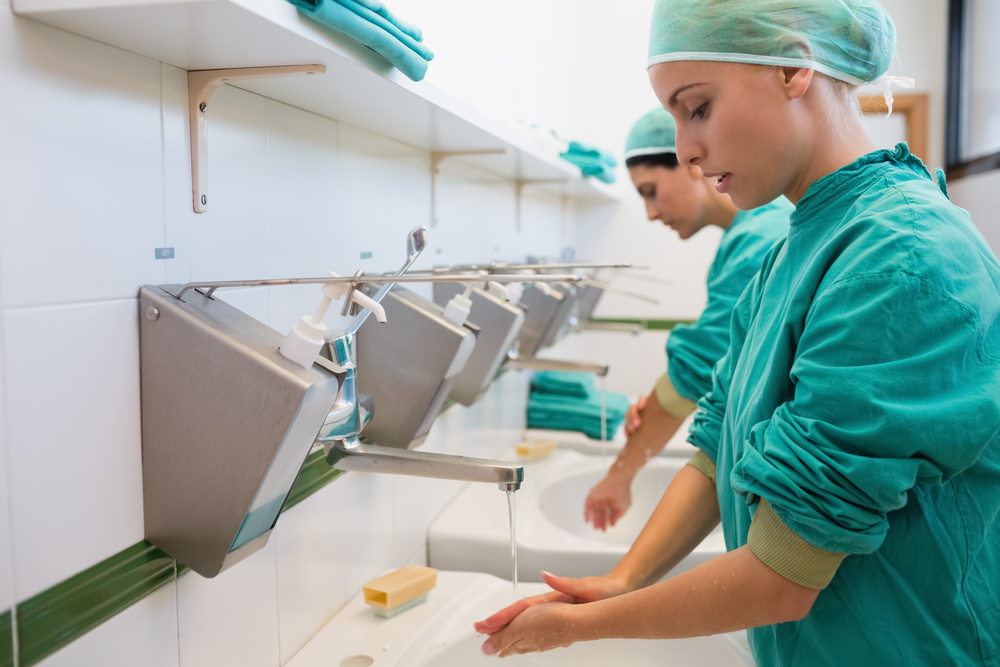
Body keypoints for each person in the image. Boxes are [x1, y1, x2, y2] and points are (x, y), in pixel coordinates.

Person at [476, 1, 1000, 664]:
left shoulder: (902, 255)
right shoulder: (793, 249)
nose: (685, 150)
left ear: (793, 69)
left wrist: (581, 626)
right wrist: (623, 577)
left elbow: (784, 576)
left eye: (696, 108)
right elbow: (718, 444)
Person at [585, 107, 792, 531]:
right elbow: (717, 368)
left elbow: (695, 370)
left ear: (689, 164)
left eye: (650, 191)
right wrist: (668, 394)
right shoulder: (749, 236)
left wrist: (618, 477)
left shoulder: (759, 241)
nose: (649, 212)